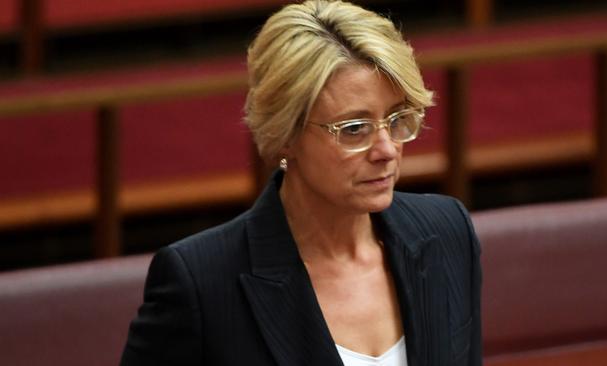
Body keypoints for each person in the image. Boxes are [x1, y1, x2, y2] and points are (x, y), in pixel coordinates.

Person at [120, 1, 482, 365]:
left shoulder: (448, 231)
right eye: (354, 129)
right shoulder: (202, 283)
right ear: (286, 135)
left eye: (396, 118)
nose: (387, 150)